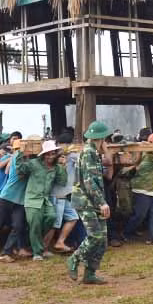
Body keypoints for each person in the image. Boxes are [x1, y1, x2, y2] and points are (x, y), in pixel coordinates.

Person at [68, 121, 112, 284]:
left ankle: (90, 273)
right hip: (85, 200)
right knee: (95, 236)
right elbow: (89, 181)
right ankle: (75, 258)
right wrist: (102, 203)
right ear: (101, 138)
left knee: (103, 240)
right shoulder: (89, 153)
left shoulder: (92, 151)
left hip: (92, 199)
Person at [16, 140, 67, 260]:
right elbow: (20, 170)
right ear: (43, 154)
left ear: (55, 154)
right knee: (35, 224)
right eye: (48, 154)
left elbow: (62, 182)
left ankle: (36, 244)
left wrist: (63, 166)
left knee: (52, 217)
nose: (50, 156)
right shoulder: (34, 163)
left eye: (52, 153)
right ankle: (37, 253)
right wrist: (20, 154)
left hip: (45, 200)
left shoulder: (56, 167)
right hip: (32, 199)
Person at [49, 131, 80, 253]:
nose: (65, 147)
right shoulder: (53, 157)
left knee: (72, 217)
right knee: (54, 224)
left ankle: (59, 242)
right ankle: (43, 248)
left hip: (65, 194)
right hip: (56, 194)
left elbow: (81, 159)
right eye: (62, 145)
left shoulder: (73, 155)